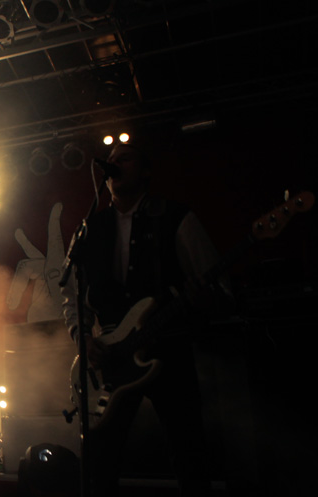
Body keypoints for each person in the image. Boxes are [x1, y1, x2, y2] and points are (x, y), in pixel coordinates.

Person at [62, 143, 219, 496]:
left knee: (189, 453)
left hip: (169, 350)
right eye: (111, 160)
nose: (115, 163)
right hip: (112, 358)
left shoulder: (176, 217)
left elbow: (212, 278)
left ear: (146, 171)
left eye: (125, 157)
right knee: (100, 458)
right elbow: (72, 294)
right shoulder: (89, 228)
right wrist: (83, 338)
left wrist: (205, 299)